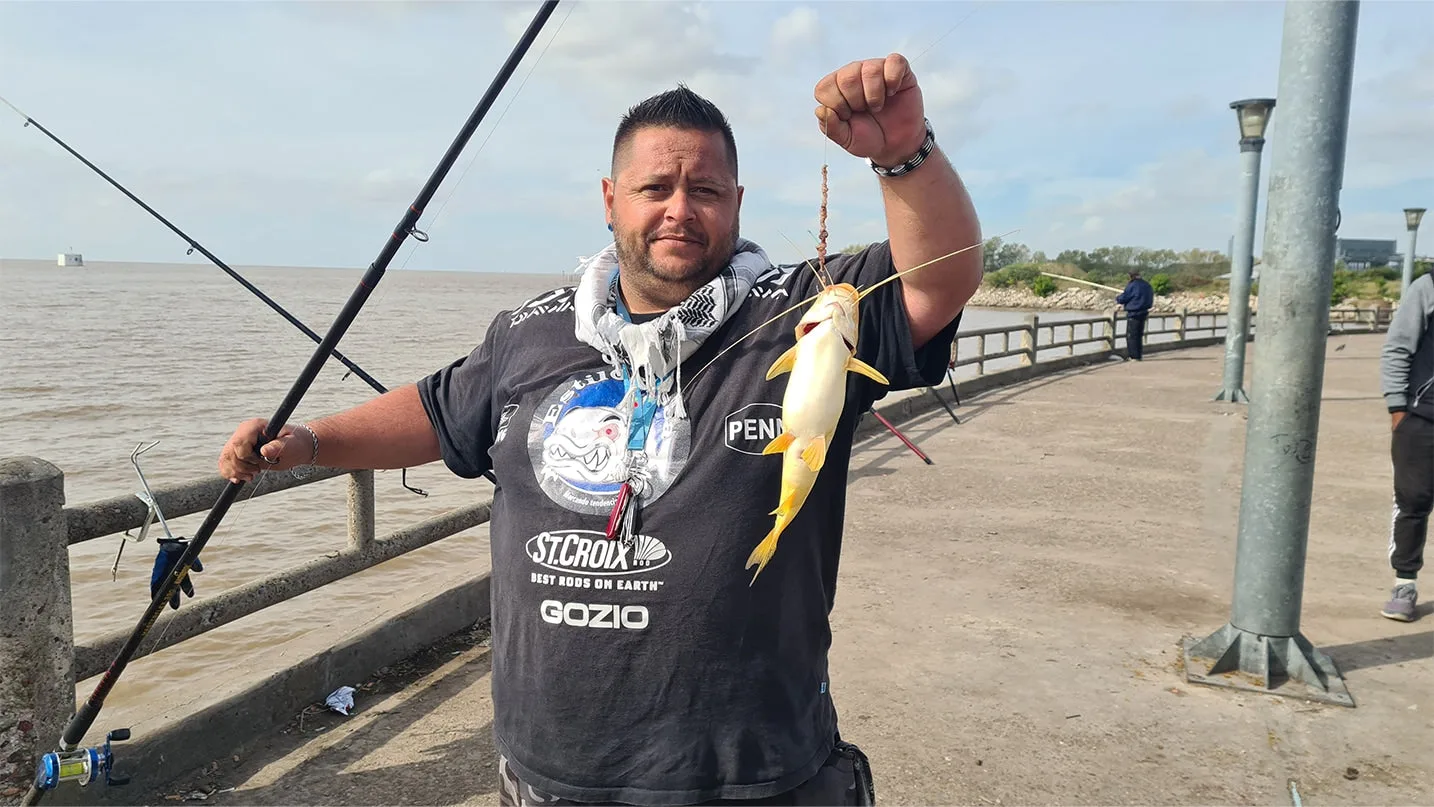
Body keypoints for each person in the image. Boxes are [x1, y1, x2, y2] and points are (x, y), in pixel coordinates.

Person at [218, 54, 982, 805]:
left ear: (738, 202)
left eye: (706, 189)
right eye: (655, 187)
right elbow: (438, 408)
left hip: (753, 774)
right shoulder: (532, 330)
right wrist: (310, 442)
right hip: (551, 775)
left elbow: (939, 277)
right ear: (610, 199)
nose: (679, 208)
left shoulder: (803, 309)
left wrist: (903, 153)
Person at [1379, 271, 1434, 622]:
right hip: (1423, 417)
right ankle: (1405, 582)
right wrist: (1397, 405)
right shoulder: (1428, 287)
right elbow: (1399, 346)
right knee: (1413, 500)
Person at [1114, 269, 1154, 360]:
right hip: (1144, 312)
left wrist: (1118, 298)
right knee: (1139, 335)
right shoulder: (1147, 285)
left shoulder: (1132, 285)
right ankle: (1138, 355)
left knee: (1132, 335)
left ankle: (1133, 356)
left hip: (1134, 313)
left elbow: (1125, 297)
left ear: (1131, 276)